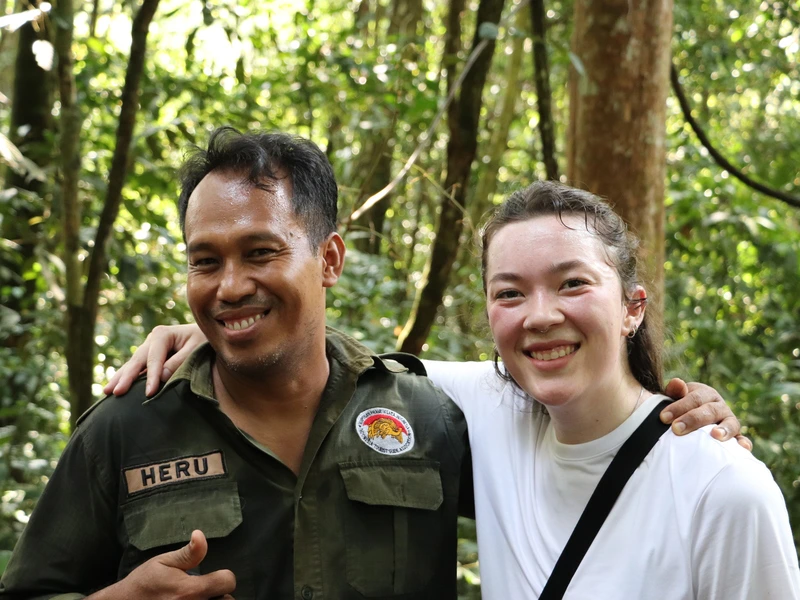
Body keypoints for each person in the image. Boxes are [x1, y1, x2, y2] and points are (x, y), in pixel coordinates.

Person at [102, 180, 787, 598]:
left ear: (633, 305)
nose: (540, 315)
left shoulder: (720, 489)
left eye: (572, 283)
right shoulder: (479, 407)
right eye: (510, 293)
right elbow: (328, 366)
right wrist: (221, 330)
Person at [0, 128, 471, 599]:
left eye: (260, 252)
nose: (229, 287)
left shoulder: (429, 418)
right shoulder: (123, 431)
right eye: (205, 261)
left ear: (328, 259)